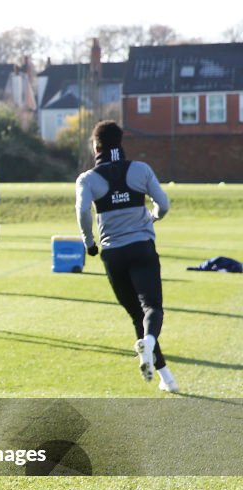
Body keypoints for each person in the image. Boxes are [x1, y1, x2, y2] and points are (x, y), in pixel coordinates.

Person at [75, 120, 177, 392]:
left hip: (112, 254)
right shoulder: (141, 170)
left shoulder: (87, 179)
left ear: (96, 146)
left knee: (136, 315)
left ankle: (167, 378)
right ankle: (152, 344)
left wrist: (89, 243)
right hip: (142, 247)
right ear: (121, 143)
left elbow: (83, 212)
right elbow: (164, 204)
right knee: (152, 308)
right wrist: (154, 217)